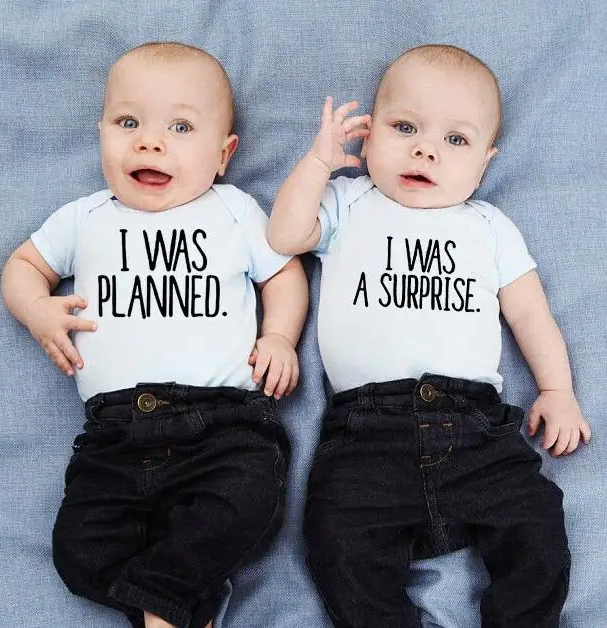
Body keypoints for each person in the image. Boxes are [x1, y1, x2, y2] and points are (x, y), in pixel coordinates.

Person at [268, 44, 591, 627]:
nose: (425, 149)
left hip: (476, 430)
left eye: (456, 140)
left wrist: (557, 389)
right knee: (338, 545)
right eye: (405, 127)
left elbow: (530, 314)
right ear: (368, 136)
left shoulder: (488, 227)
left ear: (486, 161)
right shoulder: (349, 202)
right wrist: (318, 164)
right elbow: (286, 236)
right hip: (367, 434)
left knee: (537, 528)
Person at [1, 42, 308, 628]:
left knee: (244, 505)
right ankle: (176, 600)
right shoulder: (84, 217)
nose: (148, 142)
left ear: (224, 155)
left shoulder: (234, 210)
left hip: (223, 424)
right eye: (127, 123)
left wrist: (278, 337)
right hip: (114, 435)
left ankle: (165, 600)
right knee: (78, 553)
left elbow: (283, 273)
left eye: (180, 127)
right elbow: (22, 265)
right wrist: (37, 309)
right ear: (101, 135)